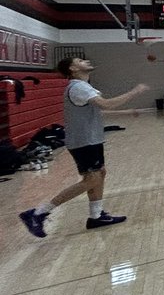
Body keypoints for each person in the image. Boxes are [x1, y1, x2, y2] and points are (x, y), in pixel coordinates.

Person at [18, 57, 149, 238]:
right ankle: (38, 213)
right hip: (83, 141)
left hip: (91, 139)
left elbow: (98, 110)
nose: (86, 61)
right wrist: (135, 92)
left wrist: (127, 112)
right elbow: (106, 104)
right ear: (72, 68)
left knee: (100, 173)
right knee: (92, 179)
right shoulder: (78, 87)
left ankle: (96, 216)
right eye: (80, 60)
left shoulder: (83, 87)